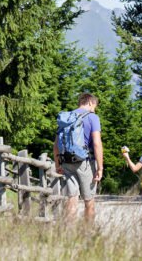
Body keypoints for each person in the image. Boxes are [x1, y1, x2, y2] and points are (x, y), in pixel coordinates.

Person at [53, 92, 103, 223]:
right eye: (95, 106)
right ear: (91, 103)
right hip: (85, 162)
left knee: (72, 197)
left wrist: (57, 164)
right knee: (89, 200)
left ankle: (69, 232)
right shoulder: (93, 117)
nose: (94, 109)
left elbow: (56, 145)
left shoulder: (67, 117)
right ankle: (87, 233)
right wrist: (100, 168)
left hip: (66, 161)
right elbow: (97, 143)